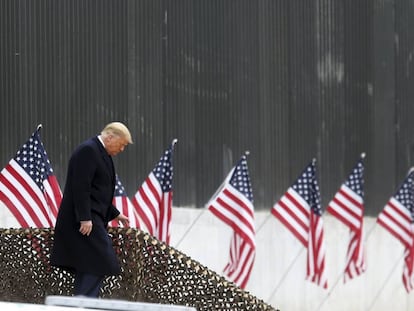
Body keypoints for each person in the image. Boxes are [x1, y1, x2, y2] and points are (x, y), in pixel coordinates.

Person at [50, 122, 133, 297]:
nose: (122, 149)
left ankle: (83, 302)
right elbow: (80, 187)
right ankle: (84, 303)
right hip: (83, 221)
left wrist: (115, 213)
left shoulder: (102, 153)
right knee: (100, 259)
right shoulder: (88, 151)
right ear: (110, 137)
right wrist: (84, 218)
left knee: (90, 264)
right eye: (122, 144)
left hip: (92, 218)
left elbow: (97, 192)